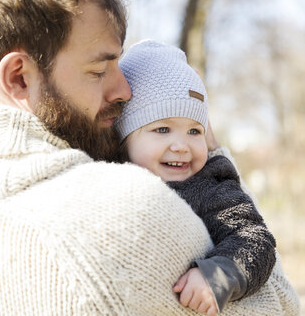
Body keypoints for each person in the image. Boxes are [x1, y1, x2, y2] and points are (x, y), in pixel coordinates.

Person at [0, 0, 300, 315]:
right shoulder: (123, 209)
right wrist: (215, 151)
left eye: (118, 63)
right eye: (99, 69)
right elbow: (280, 305)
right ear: (19, 76)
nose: (125, 89)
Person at [115, 40, 277, 315]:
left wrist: (217, 276)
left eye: (194, 131)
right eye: (162, 129)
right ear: (124, 137)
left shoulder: (210, 185)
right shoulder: (105, 181)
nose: (182, 146)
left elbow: (254, 239)